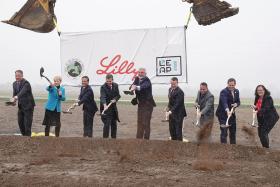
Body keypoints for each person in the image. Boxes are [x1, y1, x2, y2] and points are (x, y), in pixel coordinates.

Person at [130, 68, 156, 140]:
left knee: (146, 122)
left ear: (145, 74)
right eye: (139, 72)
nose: (140, 73)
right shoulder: (137, 79)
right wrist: (131, 89)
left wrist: (135, 87)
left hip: (148, 105)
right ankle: (138, 139)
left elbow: (142, 87)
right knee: (140, 121)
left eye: (142, 72)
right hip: (140, 104)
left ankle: (146, 140)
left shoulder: (147, 80)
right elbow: (132, 86)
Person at [216, 78, 240, 144]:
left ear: (235, 84)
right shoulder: (223, 91)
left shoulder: (237, 91)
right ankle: (224, 148)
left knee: (233, 132)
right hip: (222, 115)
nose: (231, 87)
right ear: (227, 84)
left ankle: (233, 147)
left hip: (232, 114)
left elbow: (238, 101)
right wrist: (227, 109)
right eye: (230, 85)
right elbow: (224, 102)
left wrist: (236, 104)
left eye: (233, 85)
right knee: (224, 132)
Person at [11, 70, 35, 136]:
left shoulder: (26, 83)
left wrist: (16, 97)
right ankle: (24, 137)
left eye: (18, 76)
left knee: (27, 124)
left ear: (22, 75)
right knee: (20, 122)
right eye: (16, 76)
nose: (17, 77)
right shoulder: (14, 84)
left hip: (28, 106)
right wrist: (13, 101)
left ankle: (27, 138)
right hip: (21, 106)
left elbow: (22, 92)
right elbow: (14, 94)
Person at [100, 74, 121, 139]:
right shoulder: (103, 87)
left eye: (110, 81)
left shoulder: (116, 85)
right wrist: (104, 105)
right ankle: (105, 139)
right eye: (107, 81)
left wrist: (115, 99)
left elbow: (118, 95)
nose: (109, 83)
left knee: (114, 124)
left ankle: (113, 139)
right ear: (106, 80)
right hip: (105, 108)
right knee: (107, 124)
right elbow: (102, 97)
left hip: (113, 107)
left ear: (112, 80)